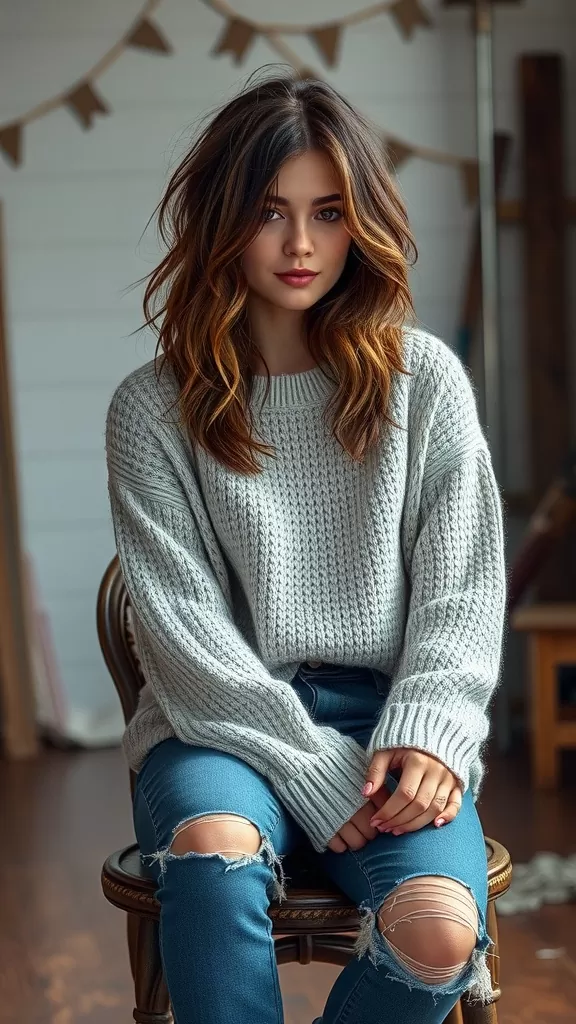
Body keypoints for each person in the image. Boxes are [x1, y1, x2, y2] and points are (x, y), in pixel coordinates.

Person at [105, 67, 507, 1024]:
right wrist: (308, 763)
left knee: (438, 933)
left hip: (389, 724)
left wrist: (431, 729)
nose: (300, 244)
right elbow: (182, 634)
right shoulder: (151, 411)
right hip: (217, 727)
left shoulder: (424, 382)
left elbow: (463, 588)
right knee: (212, 854)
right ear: (220, 223)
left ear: (360, 218)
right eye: (270, 213)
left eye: (328, 212)